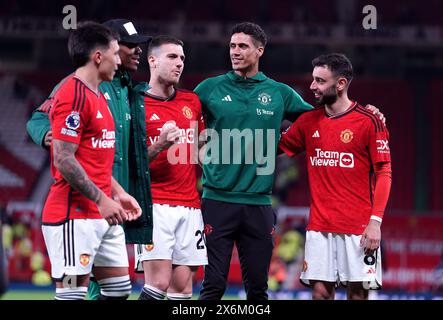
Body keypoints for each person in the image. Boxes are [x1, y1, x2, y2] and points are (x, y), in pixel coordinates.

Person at [195, 22, 385, 300]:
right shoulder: (208, 88)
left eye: (242, 46)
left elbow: (323, 119)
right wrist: (201, 150)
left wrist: (365, 113)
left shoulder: (280, 93)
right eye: (232, 46)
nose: (235, 52)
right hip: (216, 200)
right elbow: (182, 114)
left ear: (259, 50)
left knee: (258, 291)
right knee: (212, 287)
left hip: (259, 202)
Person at [26, 19, 159, 299]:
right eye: (114, 53)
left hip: (102, 212)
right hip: (74, 216)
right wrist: (102, 199)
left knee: (119, 290)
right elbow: (64, 159)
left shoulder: (98, 94)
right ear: (98, 56)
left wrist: (119, 193)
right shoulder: (72, 94)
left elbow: (94, 160)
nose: (118, 60)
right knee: (74, 294)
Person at [278, 53, 392, 300]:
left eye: (320, 81)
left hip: (358, 228)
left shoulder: (370, 121)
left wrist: (375, 222)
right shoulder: (308, 122)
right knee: (319, 294)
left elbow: (384, 173)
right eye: (313, 80)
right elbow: (273, 147)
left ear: (340, 84)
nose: (312, 86)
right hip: (319, 227)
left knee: (358, 295)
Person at [135, 35, 208, 300]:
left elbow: (200, 150)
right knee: (159, 283)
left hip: (190, 206)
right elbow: (131, 163)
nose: (179, 64)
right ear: (152, 60)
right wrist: (161, 145)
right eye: (172, 57)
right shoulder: (135, 103)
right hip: (155, 204)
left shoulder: (192, 102)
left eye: (182, 59)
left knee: (183, 290)